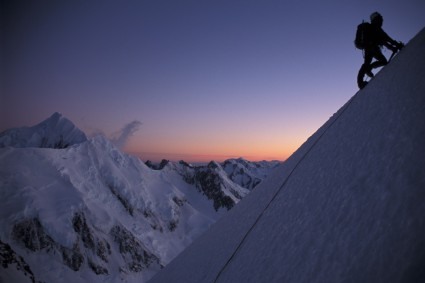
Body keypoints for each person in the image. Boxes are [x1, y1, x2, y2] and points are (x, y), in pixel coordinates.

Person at [357, 12, 404, 89]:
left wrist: (394, 46)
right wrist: (395, 46)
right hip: (371, 48)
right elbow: (386, 40)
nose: (381, 22)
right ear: (376, 20)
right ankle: (362, 80)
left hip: (371, 48)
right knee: (371, 63)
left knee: (369, 63)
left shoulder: (376, 29)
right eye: (380, 20)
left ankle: (362, 80)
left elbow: (386, 40)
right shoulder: (374, 29)